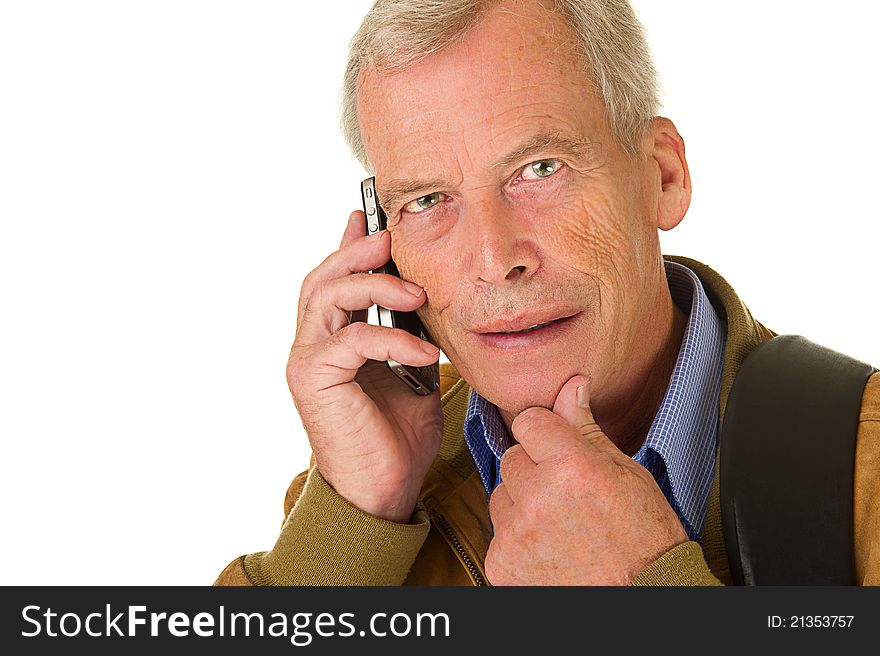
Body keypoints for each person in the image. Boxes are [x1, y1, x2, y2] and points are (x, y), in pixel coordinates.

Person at [216, 0, 880, 586]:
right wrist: (350, 529)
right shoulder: (374, 486)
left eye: (540, 168)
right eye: (426, 200)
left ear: (663, 175)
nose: (494, 259)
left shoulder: (864, 466)